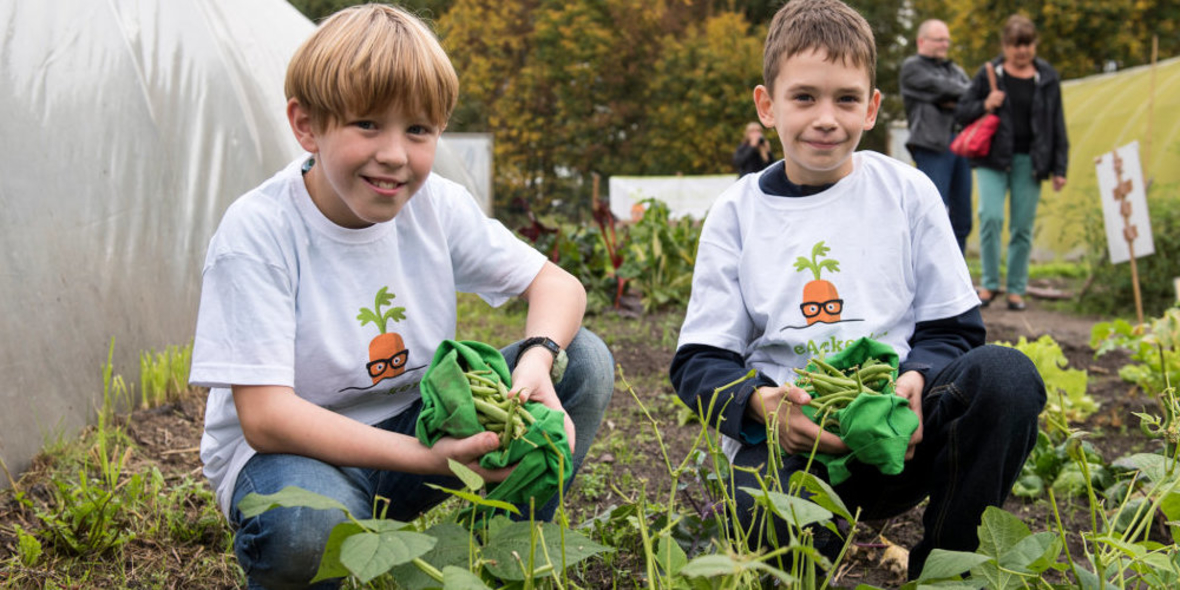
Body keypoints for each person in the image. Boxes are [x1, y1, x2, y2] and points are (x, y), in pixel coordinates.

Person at [189, 5, 614, 588]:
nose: (394, 154)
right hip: (296, 456)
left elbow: (557, 285)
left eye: (418, 130)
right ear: (308, 125)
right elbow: (265, 418)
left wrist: (539, 360)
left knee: (582, 361)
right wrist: (431, 460)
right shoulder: (259, 232)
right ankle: (337, 532)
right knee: (310, 535)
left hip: (418, 426)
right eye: (368, 124)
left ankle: (498, 556)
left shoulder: (435, 204)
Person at [669, 0, 1046, 578]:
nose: (827, 118)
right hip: (793, 445)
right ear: (767, 106)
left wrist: (916, 377)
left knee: (1006, 377)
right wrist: (763, 408)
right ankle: (815, 542)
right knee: (768, 525)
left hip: (901, 430)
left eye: (846, 98)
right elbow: (699, 362)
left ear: (871, 108)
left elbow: (956, 330)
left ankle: (947, 565)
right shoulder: (737, 213)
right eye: (804, 97)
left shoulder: (907, 191)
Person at [956, 14, 1068, 311]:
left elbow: (1056, 122)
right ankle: (990, 284)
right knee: (990, 217)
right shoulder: (989, 73)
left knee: (1022, 226)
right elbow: (961, 111)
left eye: (1027, 45)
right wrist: (985, 103)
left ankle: (1016, 289)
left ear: (1035, 44)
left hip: (1031, 160)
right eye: (1016, 45)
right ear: (1005, 45)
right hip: (993, 158)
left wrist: (1060, 167)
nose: (1022, 51)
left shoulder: (1047, 77)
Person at [900, 19, 973, 254]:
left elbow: (972, 96)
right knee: (933, 214)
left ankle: (958, 277)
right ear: (922, 41)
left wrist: (947, 97)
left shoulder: (954, 69)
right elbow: (944, 89)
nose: (945, 45)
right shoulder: (912, 67)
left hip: (961, 145)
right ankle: (928, 278)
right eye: (939, 39)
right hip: (931, 146)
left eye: (947, 40)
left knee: (962, 218)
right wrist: (949, 95)